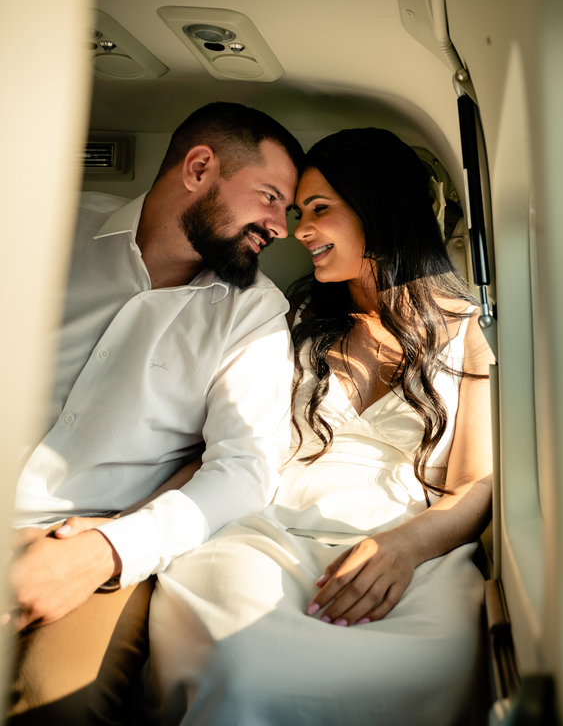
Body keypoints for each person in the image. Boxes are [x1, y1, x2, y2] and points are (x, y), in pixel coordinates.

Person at [146, 128, 494, 725]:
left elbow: (476, 485)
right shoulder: (292, 316)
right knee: (240, 662)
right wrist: (137, 520)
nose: (297, 229)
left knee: (434, 665)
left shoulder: (471, 331)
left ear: (379, 209)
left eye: (319, 210)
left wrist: (405, 549)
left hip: (410, 550)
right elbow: (233, 445)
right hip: (267, 533)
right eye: (296, 210)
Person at [7, 102, 304, 724]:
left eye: (289, 209)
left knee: (62, 706)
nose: (281, 226)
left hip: (88, 536)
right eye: (270, 197)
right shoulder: (40, 222)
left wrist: (102, 552)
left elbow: (246, 468)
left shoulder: (254, 314)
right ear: (199, 168)